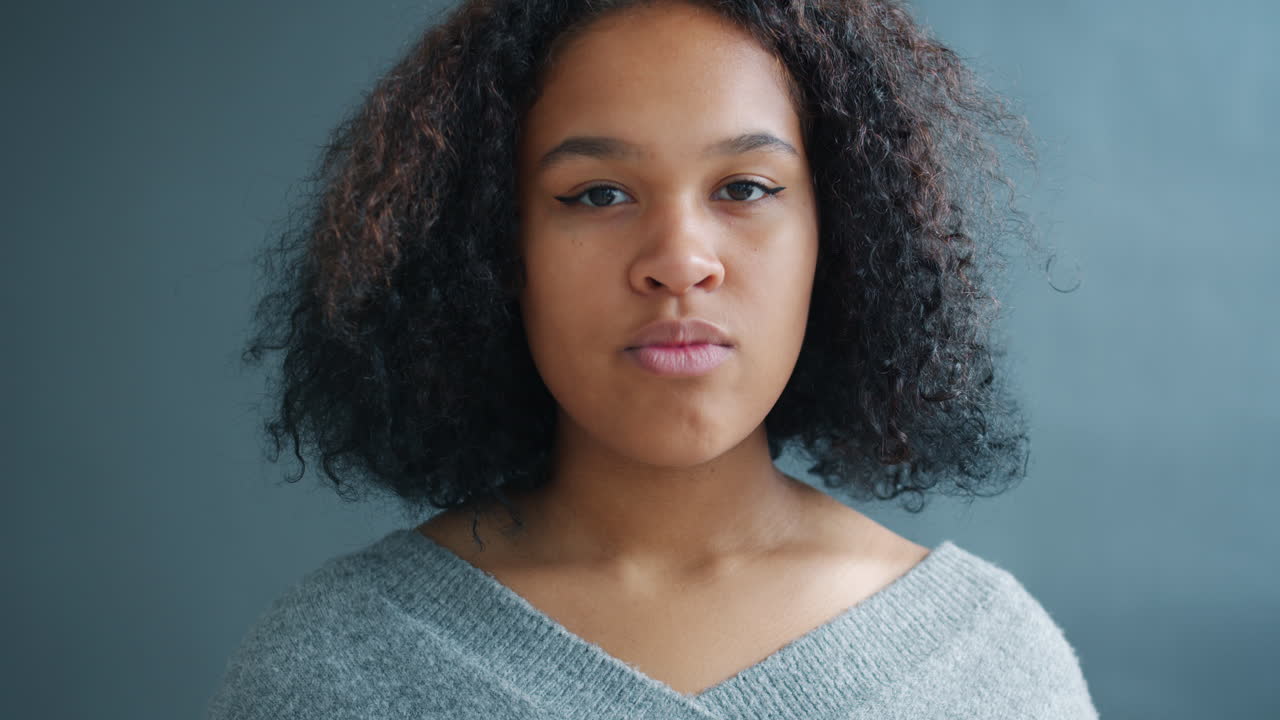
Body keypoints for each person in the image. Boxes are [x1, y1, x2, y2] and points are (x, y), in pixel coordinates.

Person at [207, 0, 1098, 717]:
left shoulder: (988, 668)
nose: (678, 258)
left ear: (845, 235)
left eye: (746, 188)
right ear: (489, 245)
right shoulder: (330, 671)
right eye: (598, 194)